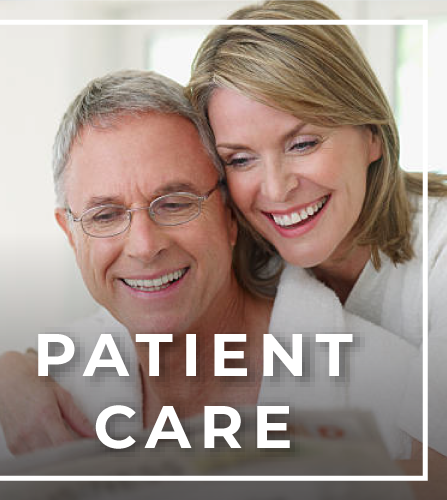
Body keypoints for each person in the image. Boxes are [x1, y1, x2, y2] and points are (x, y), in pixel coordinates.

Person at [0, 69, 420, 474]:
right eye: (104, 216)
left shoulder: (392, 393)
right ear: (70, 234)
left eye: (175, 203)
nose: (144, 246)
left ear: (231, 215)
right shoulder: (36, 409)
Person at [186, 0, 447, 486]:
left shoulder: (440, 248)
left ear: (372, 135)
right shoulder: (250, 257)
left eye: (302, 144)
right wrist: (16, 378)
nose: (276, 188)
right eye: (241, 159)